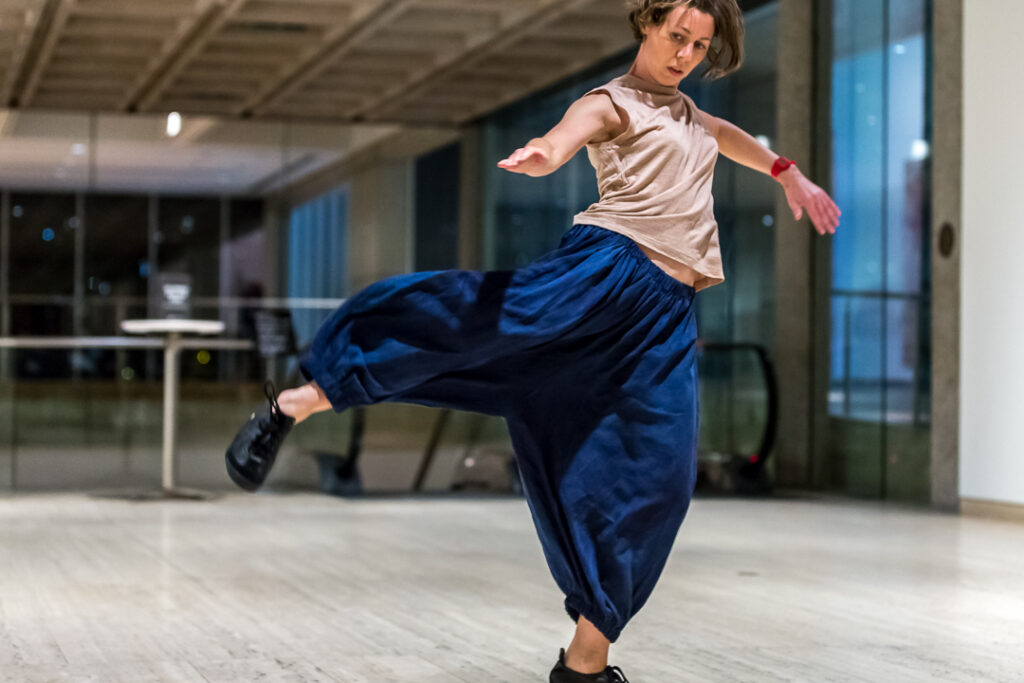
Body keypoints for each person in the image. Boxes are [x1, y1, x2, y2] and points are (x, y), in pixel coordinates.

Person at [225, 1, 840, 680]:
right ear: (646, 23)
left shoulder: (692, 117)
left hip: (666, 316)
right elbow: (571, 132)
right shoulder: (614, 102)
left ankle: (586, 660)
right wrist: (547, 153)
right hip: (607, 276)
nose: (687, 54)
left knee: (663, 479)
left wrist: (790, 175)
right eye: (677, 36)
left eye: (699, 44)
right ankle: (297, 402)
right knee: (478, 329)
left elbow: (734, 137)